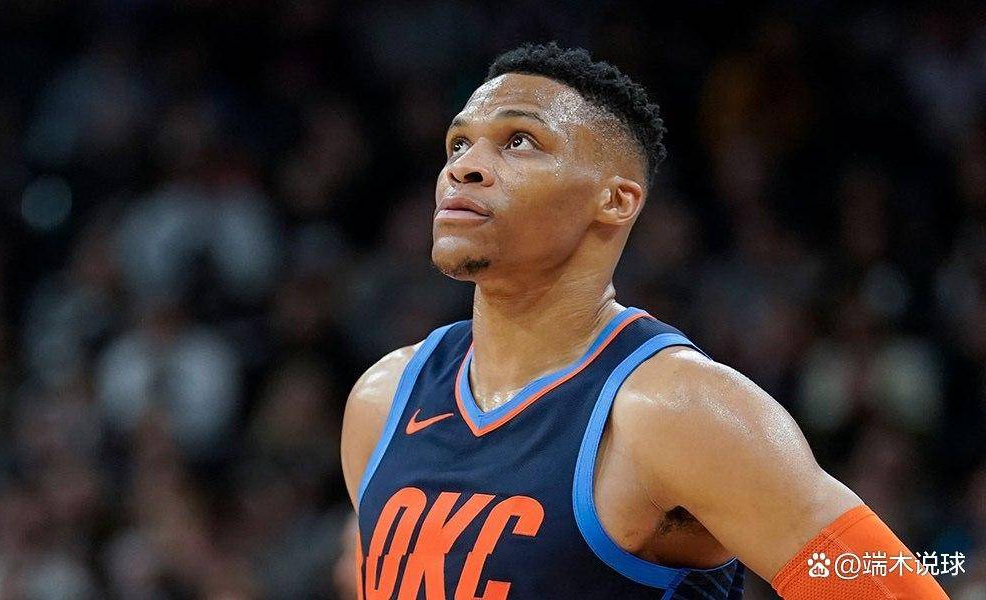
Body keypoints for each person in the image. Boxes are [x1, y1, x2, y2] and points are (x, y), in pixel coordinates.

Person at [340, 42, 949, 599]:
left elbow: (894, 590)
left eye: (520, 140)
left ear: (615, 200)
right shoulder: (382, 400)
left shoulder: (677, 411)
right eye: (458, 144)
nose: (464, 167)